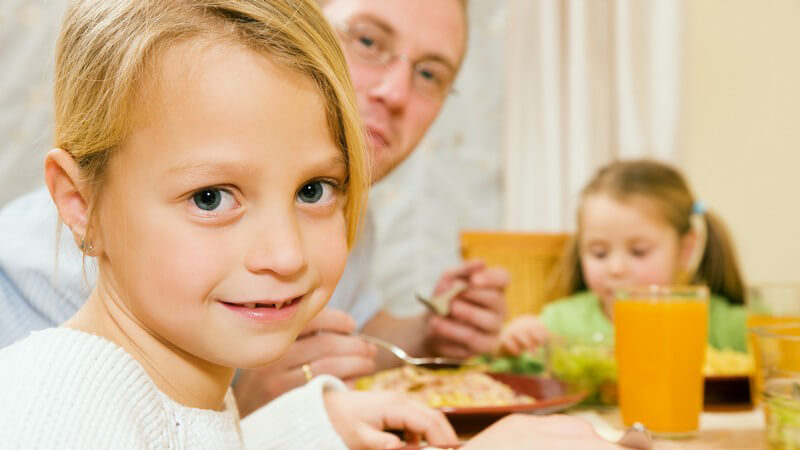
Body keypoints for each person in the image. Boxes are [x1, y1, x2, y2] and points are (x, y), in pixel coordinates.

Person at [0, 0, 510, 418]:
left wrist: (430, 332)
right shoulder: (53, 368)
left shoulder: (340, 211)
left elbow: (347, 326)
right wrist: (249, 408)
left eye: (429, 73)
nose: (395, 93)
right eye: (370, 42)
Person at [498, 159, 747, 355]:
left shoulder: (722, 326)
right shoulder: (559, 324)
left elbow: (776, 352)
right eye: (599, 253)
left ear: (685, 249)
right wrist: (511, 344)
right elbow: (502, 374)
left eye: (638, 251)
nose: (616, 269)